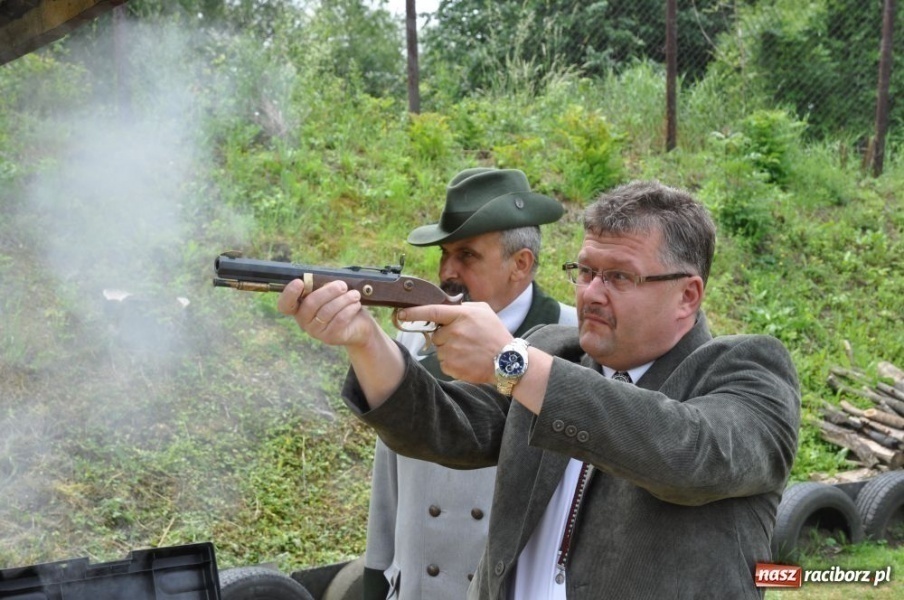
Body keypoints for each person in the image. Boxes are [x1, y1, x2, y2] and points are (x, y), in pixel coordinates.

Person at [278, 180, 801, 599]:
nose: (592, 293)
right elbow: (442, 427)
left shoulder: (748, 370)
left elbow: (685, 453)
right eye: (586, 270)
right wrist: (364, 339)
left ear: (688, 295)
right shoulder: (556, 351)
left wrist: (513, 362)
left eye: (618, 277)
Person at [363, 167, 578, 600]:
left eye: (467, 256)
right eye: (444, 255)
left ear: (521, 264)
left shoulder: (574, 340)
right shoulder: (414, 334)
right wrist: (376, 571)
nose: (447, 271)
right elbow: (389, 470)